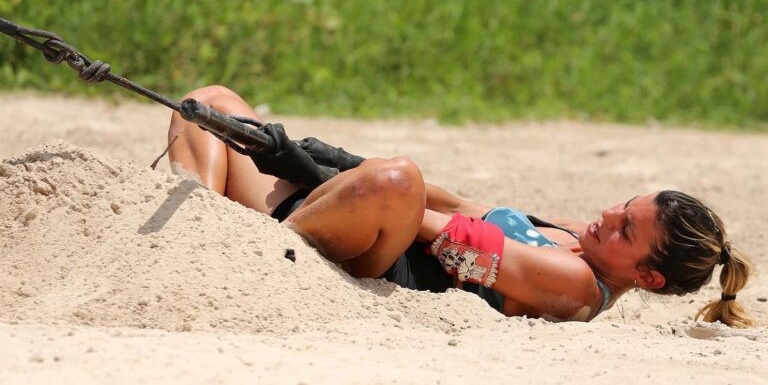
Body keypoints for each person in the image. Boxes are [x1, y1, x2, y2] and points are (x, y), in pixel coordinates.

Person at [167, 85, 755, 327]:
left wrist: (315, 171)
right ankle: (199, 221)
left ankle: (249, 234)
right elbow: (461, 204)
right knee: (213, 103)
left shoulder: (578, 286)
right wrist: (342, 160)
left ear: (648, 278)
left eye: (626, 229)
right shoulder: (581, 239)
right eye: (624, 207)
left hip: (372, 255)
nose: (607, 217)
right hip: (340, 213)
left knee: (398, 178)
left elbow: (442, 231)